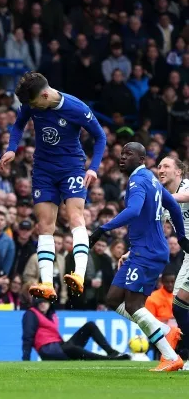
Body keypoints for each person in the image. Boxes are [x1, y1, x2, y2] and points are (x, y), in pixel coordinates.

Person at [0, 71, 107, 301]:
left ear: (46, 95)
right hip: (43, 170)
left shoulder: (77, 108)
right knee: (44, 225)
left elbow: (100, 137)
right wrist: (11, 147)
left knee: (76, 216)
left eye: (34, 103)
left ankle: (78, 274)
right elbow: (19, 124)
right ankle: (47, 283)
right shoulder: (32, 103)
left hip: (71, 168)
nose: (31, 107)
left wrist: (93, 168)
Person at [90, 142, 189, 372]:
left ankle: (170, 356)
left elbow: (133, 211)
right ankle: (165, 330)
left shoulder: (138, 180)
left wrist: (102, 229)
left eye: (129, 154)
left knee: (134, 305)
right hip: (139, 251)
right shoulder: (151, 180)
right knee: (113, 299)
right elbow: (173, 207)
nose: (122, 157)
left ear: (142, 158)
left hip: (148, 252)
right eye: (122, 153)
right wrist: (182, 238)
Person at [157, 155, 189, 369]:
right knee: (179, 307)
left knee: (180, 304)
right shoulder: (165, 201)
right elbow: (154, 230)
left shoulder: (186, 186)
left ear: (178, 171)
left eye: (166, 166)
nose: (161, 169)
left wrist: (162, 197)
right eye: (159, 166)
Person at [22, 299, 129, 361]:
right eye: (40, 301)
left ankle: (112, 352)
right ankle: (108, 359)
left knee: (89, 326)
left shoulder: (50, 315)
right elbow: (28, 336)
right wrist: (26, 358)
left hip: (59, 346)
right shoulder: (31, 313)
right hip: (48, 350)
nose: (43, 303)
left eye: (45, 301)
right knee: (72, 349)